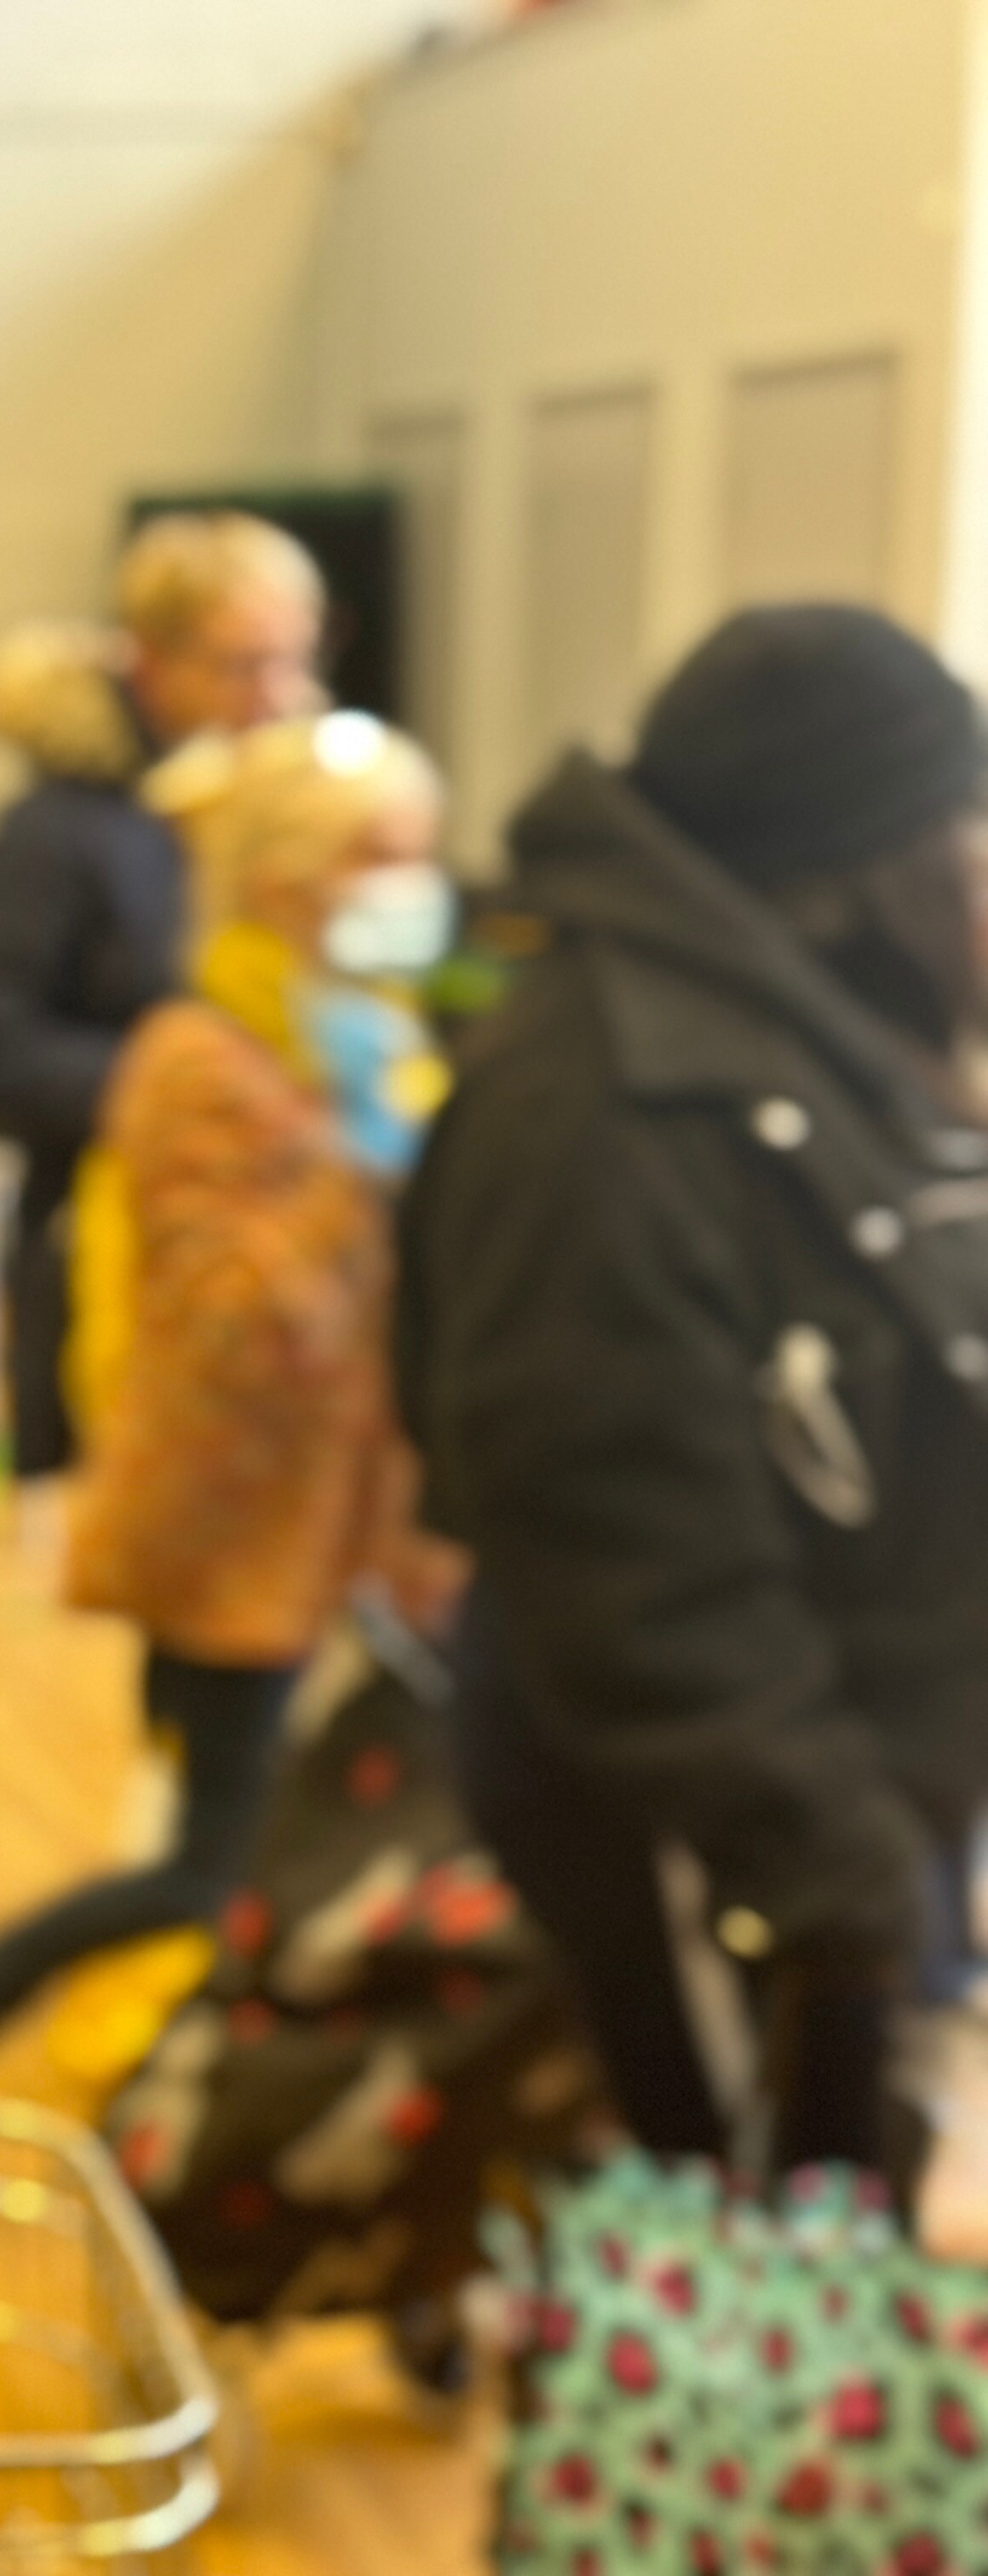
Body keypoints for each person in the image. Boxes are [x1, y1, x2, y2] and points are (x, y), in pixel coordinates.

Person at [399, 605, 988, 2180]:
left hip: (845, 1810)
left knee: (818, 2278)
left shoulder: (820, 1048)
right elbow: (630, 1564)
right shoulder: (599, 1099)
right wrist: (835, 1871)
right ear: (875, 856)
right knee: (743, 2324)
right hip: (718, 1837)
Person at [0, 711, 456, 2080]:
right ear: (288, 881)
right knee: (210, 1871)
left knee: (292, 1858)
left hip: (361, 1542)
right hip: (237, 1547)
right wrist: (357, 1178)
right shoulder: (196, 1063)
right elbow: (238, 1325)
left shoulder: (379, 1043)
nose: (418, 887)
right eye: (383, 856)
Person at [0, 513, 324, 1479]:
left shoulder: (301, 814)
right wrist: (183, 1090)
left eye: (292, 662)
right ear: (149, 660)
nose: (274, 698)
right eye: (242, 665)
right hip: (114, 1248)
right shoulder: (60, 829)